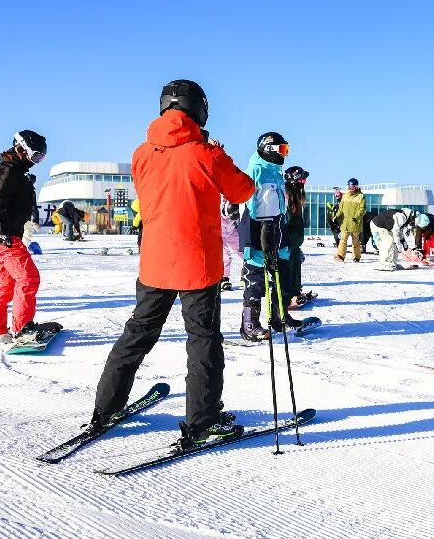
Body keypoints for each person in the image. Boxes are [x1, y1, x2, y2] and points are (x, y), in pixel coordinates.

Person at [91, 80, 254, 448]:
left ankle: (106, 408)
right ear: (199, 109)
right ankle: (202, 422)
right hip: (197, 263)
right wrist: (218, 153)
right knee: (203, 341)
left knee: (137, 333)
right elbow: (242, 190)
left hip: (155, 261)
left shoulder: (141, 153)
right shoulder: (206, 154)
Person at [0, 130, 57, 344]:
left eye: (41, 158)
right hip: (3, 235)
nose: (36, 161)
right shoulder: (9, 170)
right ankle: (23, 329)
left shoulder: (11, 170)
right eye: (36, 156)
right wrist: (3, 231)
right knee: (28, 278)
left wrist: (26, 184)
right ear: (22, 148)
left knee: (6, 283)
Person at [240, 132, 303, 341]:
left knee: (282, 278)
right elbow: (246, 207)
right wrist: (251, 239)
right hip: (258, 234)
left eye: (286, 150)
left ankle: (280, 317)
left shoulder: (276, 173)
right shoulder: (255, 171)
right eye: (282, 149)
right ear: (269, 149)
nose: (284, 154)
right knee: (256, 280)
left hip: (278, 233)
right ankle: (250, 323)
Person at [283, 165, 315, 305]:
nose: (304, 184)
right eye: (303, 180)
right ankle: (287, 294)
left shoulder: (295, 196)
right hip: (287, 243)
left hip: (294, 243)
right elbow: (285, 221)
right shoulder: (287, 197)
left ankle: (294, 291)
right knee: (289, 266)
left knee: (295, 264)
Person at [334, 178, 365, 263]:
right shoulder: (345, 196)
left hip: (355, 222)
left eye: (352, 186)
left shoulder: (361, 196)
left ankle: (356, 257)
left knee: (355, 241)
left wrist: (356, 216)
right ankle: (340, 256)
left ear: (356, 186)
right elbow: (341, 208)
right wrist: (336, 216)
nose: (350, 188)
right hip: (345, 222)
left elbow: (362, 209)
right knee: (343, 240)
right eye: (349, 186)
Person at [218, 198, 242, 291]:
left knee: (242, 250)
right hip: (219, 233)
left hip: (231, 231)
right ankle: (224, 278)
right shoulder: (218, 208)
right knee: (225, 256)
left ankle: (246, 273)